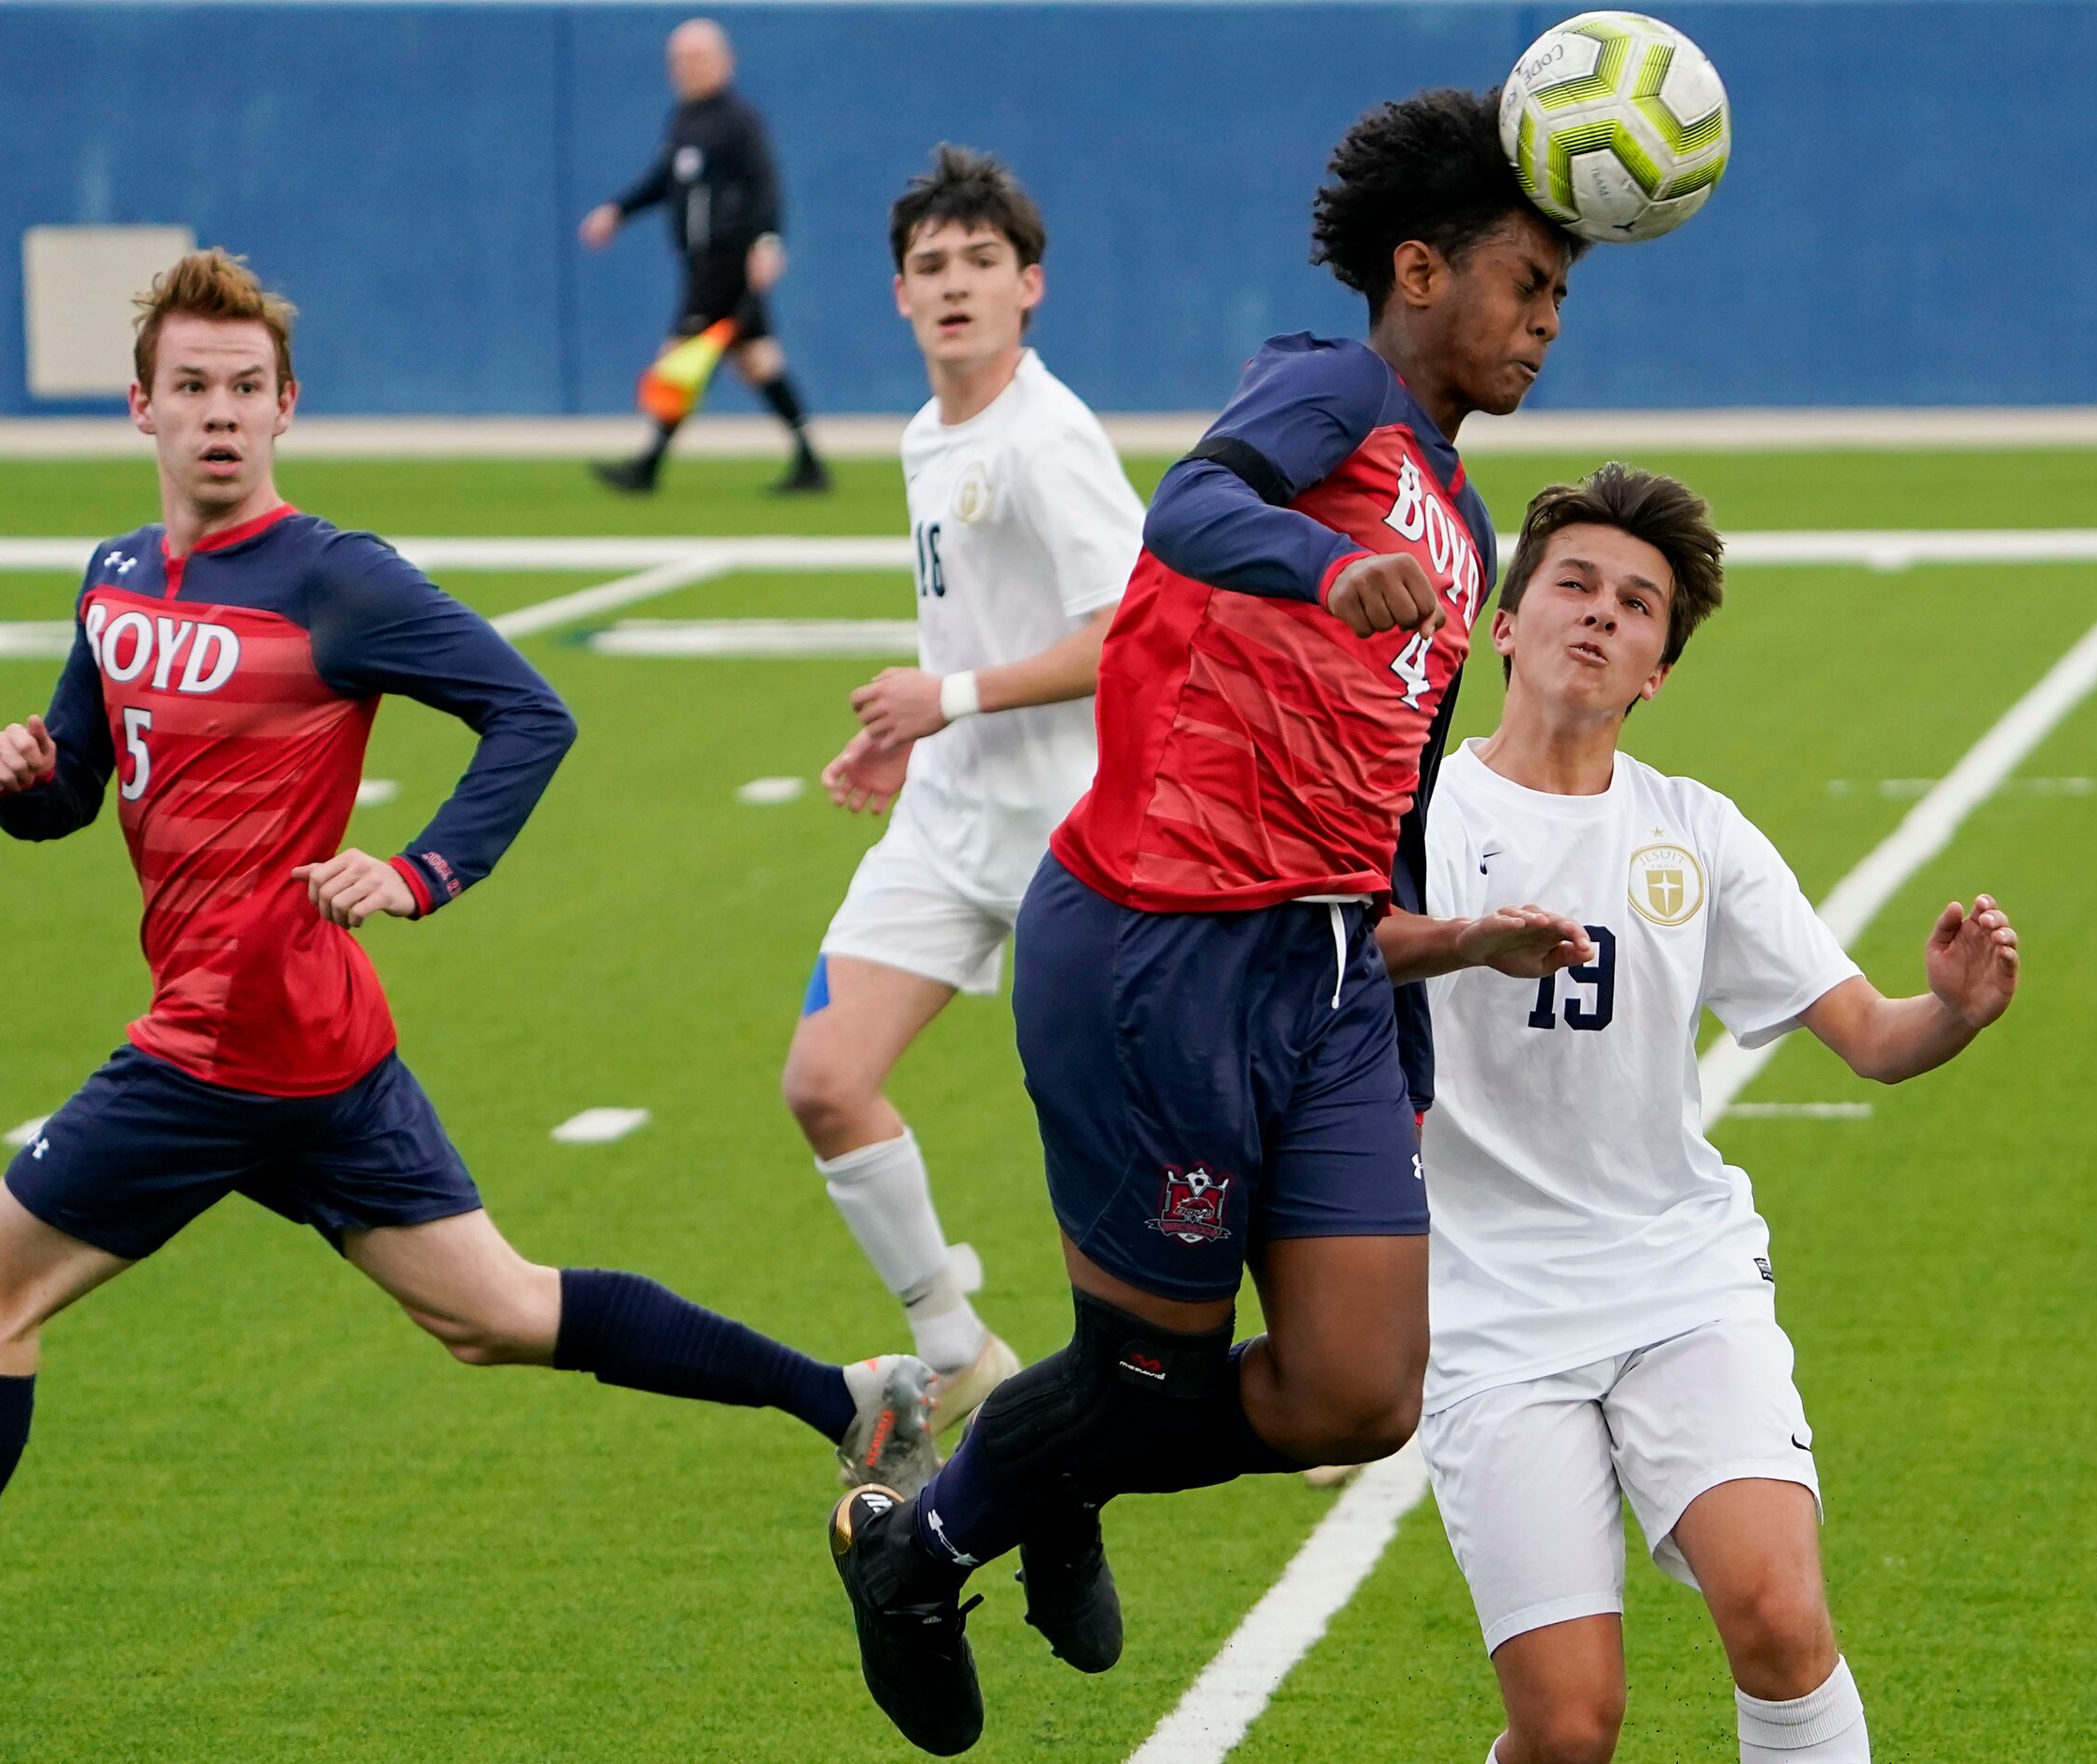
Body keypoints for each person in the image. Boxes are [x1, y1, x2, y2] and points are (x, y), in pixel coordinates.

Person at [0, 250, 931, 1710]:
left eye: (246, 391)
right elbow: (77, 785)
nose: (220, 416)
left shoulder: (337, 578)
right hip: (318, 1046)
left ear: (289, 408)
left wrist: (415, 871)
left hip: (226, 1043)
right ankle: (851, 1399)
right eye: (191, 390)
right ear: (138, 406)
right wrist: (25, 776)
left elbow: (530, 714)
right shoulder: (112, 580)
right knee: (496, 1312)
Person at [827, 87, 1593, 1756]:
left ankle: (1057, 1458)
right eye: (1524, 281)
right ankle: (926, 1543)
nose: (1546, 320)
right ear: (1416, 269)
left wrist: (1410, 1024)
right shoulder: (1331, 385)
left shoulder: (1460, 531)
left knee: (1363, 1391)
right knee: (1143, 1378)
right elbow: (1187, 511)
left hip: (1320, 980)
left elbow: (1383, 817)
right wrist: (1324, 573)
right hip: (1152, 952)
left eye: (1559, 294)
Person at [1399, 464, 2021, 1764]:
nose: (1600, 614)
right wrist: (1465, 941)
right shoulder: (1419, 816)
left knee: (1780, 1622)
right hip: (1484, 1310)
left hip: (1676, 1280)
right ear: (1502, 623)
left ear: (1655, 672)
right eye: (1570, 583)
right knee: (1568, 1727)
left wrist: (1951, 1009)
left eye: (1636, 606)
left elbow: (1869, 1035)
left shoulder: (1696, 834)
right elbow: (1320, 958)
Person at [782, 147, 1142, 1446]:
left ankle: (1315, 1376)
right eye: (929, 266)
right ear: (897, 296)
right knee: (825, 1079)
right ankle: (956, 1346)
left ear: (1027, 285)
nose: (953, 285)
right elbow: (972, 629)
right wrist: (915, 731)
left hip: (1076, 842)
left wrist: (957, 699)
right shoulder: (927, 434)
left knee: (1151, 1141)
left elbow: (1125, 637)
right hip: (945, 824)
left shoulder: (1050, 438)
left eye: (979, 262)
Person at [580, 18, 828, 494]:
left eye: (696, 58)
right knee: (757, 360)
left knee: (679, 360)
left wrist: (768, 240)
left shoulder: (737, 119)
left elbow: (765, 184)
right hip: (699, 263)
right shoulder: (684, 119)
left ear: (723, 61)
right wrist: (618, 211)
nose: (684, 69)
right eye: (677, 60)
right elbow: (665, 181)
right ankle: (810, 462)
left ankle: (647, 467)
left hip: (726, 263)